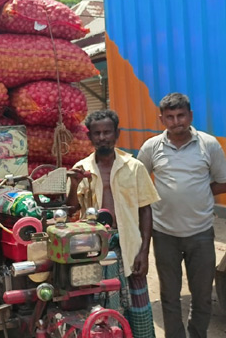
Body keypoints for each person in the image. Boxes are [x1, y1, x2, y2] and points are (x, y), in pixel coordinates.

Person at [137, 93, 226, 338]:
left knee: (202, 298)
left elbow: (224, 183)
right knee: (169, 297)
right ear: (162, 119)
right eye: (170, 117)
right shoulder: (151, 147)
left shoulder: (209, 144)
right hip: (164, 234)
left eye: (181, 115)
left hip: (200, 234)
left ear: (190, 116)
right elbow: (138, 183)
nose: (176, 121)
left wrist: (199, 191)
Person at [66, 109, 159, 338]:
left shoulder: (134, 166)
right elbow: (72, 209)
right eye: (97, 133)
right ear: (90, 137)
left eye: (107, 132)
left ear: (117, 134)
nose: (102, 137)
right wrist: (73, 183)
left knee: (137, 305)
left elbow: (145, 210)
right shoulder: (82, 168)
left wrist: (144, 252)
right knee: (97, 304)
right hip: (95, 248)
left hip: (129, 245)